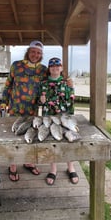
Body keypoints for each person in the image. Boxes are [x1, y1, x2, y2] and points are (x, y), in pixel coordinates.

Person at [1, 40, 47, 181]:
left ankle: (28, 161)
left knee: (30, 135)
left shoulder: (43, 70)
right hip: (15, 107)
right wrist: (4, 102)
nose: (35, 55)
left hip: (32, 110)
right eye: (33, 52)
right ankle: (12, 165)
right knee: (13, 136)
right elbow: (8, 86)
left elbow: (48, 87)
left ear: (41, 55)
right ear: (28, 51)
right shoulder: (16, 65)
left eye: (38, 53)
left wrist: (67, 81)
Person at [39, 57, 79, 186]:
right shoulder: (43, 83)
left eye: (57, 66)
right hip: (49, 116)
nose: (55, 68)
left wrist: (72, 87)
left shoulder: (67, 82)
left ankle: (71, 167)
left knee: (70, 140)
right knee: (52, 141)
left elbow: (72, 98)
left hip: (65, 116)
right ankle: (53, 169)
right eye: (52, 66)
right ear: (49, 69)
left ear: (61, 68)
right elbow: (39, 101)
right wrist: (42, 100)